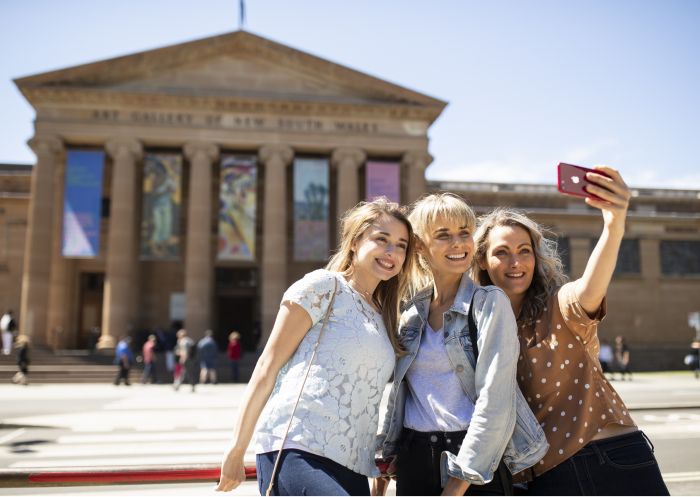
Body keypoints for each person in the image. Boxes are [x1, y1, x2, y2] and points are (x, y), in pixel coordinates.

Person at [473, 166, 669, 495]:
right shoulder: (478, 327)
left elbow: (589, 290)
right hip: (547, 476)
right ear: (481, 261)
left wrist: (614, 225)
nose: (515, 263)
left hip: (613, 457)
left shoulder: (558, 306)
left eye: (524, 251)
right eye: (501, 253)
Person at [216, 198, 415, 496]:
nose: (392, 252)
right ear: (354, 242)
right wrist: (236, 449)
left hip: (353, 462)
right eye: (381, 239)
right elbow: (267, 367)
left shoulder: (383, 313)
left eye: (401, 245)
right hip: (298, 447)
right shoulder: (323, 287)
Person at [375, 193, 547, 496]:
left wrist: (457, 485)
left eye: (464, 233)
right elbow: (399, 395)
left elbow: (496, 401)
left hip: (471, 463)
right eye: (443, 235)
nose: (458, 243)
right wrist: (384, 469)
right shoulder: (411, 313)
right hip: (413, 457)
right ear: (420, 246)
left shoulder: (489, 304)